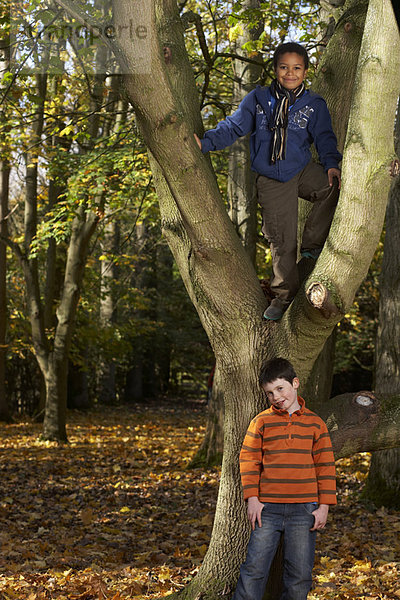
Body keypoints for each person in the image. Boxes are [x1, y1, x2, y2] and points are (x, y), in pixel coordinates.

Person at [195, 42, 342, 321]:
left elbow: (325, 138)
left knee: (332, 185)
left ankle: (312, 249)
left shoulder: (314, 105)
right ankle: (282, 296)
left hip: (300, 170)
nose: (290, 73)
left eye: (297, 68)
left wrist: (332, 164)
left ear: (305, 71)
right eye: (284, 67)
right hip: (272, 177)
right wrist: (206, 142)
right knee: (282, 240)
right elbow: (233, 126)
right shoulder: (258, 99)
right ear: (275, 70)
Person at [232, 357, 336, 600]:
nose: (276, 397)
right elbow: (248, 460)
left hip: (304, 510)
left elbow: (326, 466)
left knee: (299, 574)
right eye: (269, 393)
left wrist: (324, 507)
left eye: (280, 388)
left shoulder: (315, 424)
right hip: (267, 509)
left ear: (295, 383)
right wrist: (253, 498)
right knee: (254, 569)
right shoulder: (261, 422)